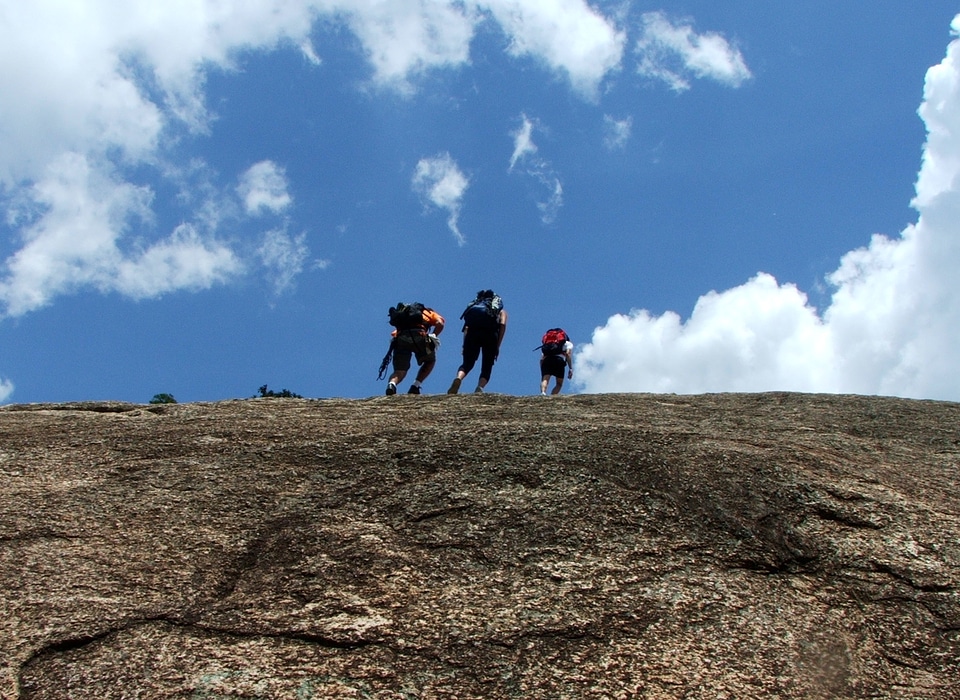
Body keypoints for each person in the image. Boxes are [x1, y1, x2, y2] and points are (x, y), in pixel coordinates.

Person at [447, 290, 507, 394]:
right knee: (487, 365)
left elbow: (466, 327)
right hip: (490, 335)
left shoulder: (473, 307)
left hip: (472, 333)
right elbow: (502, 326)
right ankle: (480, 387)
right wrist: (497, 346)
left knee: (467, 363)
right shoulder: (500, 311)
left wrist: (464, 345)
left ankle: (459, 378)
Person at [383, 302, 445, 395]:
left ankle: (392, 384)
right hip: (420, 336)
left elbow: (394, 333)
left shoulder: (403, 317)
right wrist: (433, 335)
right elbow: (440, 323)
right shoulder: (428, 312)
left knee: (399, 370)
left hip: (401, 338)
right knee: (430, 361)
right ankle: (415, 386)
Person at [539, 328, 573, 395]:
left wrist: (542, 369)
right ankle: (553, 396)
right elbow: (568, 354)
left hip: (547, 360)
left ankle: (543, 393)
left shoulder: (548, 344)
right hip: (559, 361)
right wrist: (570, 368)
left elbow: (541, 359)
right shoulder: (567, 343)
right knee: (559, 383)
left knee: (545, 379)